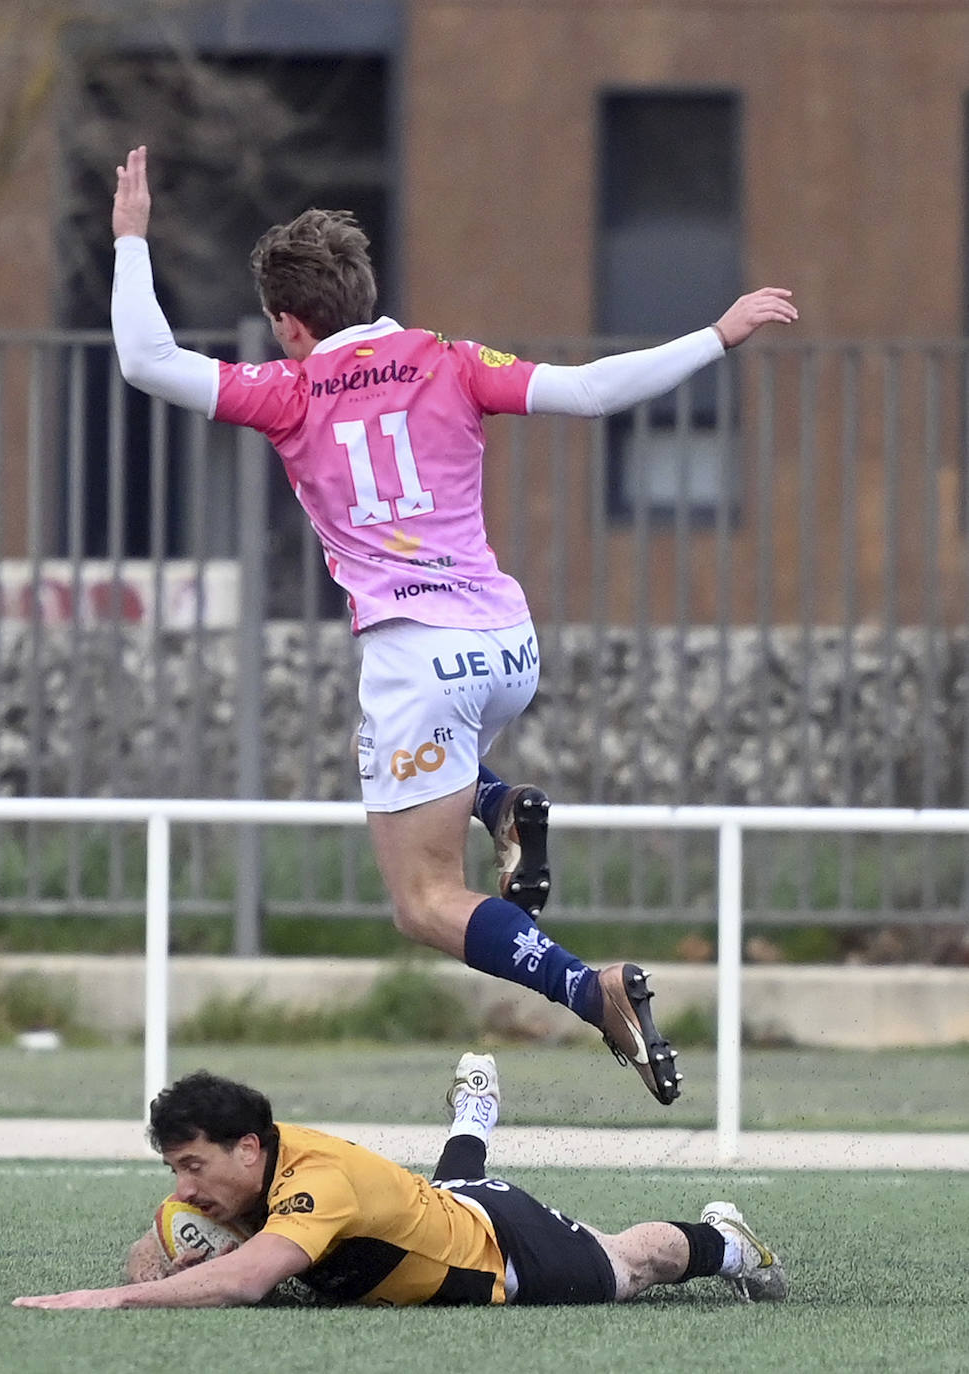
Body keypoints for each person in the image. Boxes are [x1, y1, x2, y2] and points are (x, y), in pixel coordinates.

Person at [109, 146, 798, 1106]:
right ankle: (501, 803)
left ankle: (591, 990)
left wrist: (130, 240)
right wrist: (716, 335)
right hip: (506, 644)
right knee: (442, 778)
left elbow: (145, 360)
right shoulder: (448, 359)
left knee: (424, 903)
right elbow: (593, 391)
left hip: (414, 654)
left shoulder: (287, 391)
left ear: (287, 323)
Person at [12, 1060, 787, 1309]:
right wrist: (160, 1267)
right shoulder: (230, 1182)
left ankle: (728, 1243)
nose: (185, 1187)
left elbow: (247, 1282)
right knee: (449, 1186)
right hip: (445, 1208)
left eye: (192, 1165)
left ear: (248, 1149)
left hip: (506, 1253)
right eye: (174, 1169)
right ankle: (475, 1110)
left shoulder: (316, 1184)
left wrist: (110, 1299)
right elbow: (152, 1249)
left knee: (627, 1265)